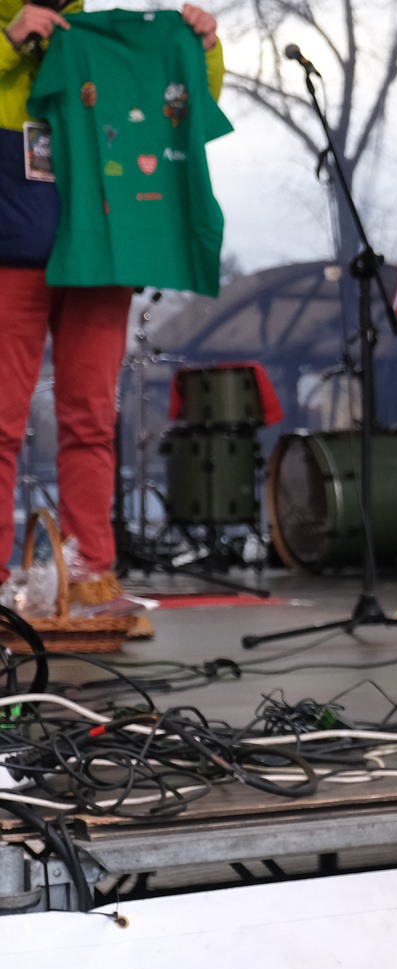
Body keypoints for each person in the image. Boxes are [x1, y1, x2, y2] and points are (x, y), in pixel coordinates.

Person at [0, 0, 222, 624]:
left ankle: (90, 576)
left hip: (103, 247)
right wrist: (10, 42)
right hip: (11, 244)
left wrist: (204, 49)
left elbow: (183, 104)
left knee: (92, 418)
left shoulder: (100, 37)